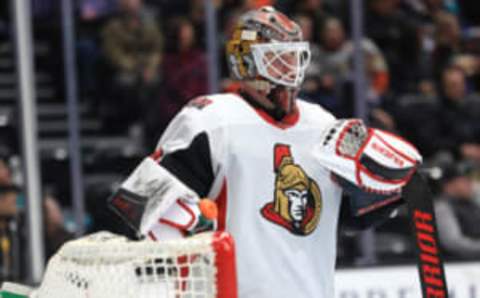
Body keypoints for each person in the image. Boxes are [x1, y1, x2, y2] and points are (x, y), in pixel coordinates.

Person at [109, 7, 421, 297]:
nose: (289, 67)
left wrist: (384, 192)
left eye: (294, 56)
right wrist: (180, 228)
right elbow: (137, 204)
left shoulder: (323, 125)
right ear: (245, 61)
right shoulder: (211, 119)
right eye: (277, 57)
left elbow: (341, 219)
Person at [435, 161, 480, 259]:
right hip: (456, 264)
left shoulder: (472, 203)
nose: (470, 185)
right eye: (465, 181)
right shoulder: (442, 207)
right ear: (449, 185)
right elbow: (453, 243)